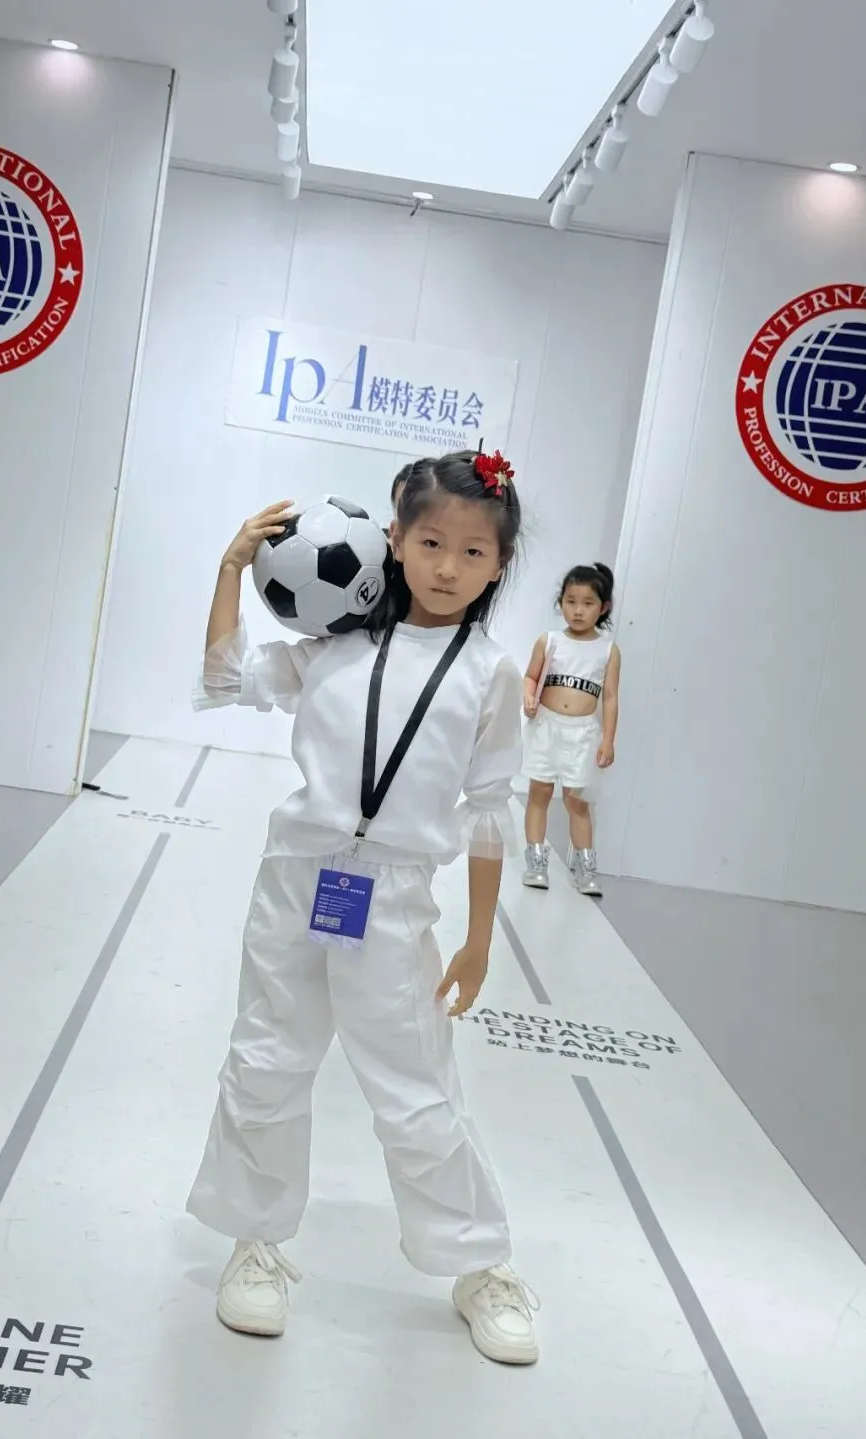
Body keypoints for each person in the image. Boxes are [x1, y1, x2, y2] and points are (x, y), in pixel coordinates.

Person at [187, 449, 539, 1366]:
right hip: (297, 879)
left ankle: (480, 1264)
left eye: (473, 551)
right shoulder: (334, 642)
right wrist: (230, 568)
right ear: (394, 538)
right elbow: (225, 678)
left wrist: (478, 939)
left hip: (394, 896)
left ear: (499, 564)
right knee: (267, 1059)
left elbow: (489, 811)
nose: (448, 566)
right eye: (431, 543)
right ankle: (256, 1244)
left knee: (417, 1090)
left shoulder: (490, 673)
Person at [520, 563, 620, 896]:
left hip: (583, 734)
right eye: (571, 601)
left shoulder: (608, 650)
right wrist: (529, 697)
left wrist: (608, 739)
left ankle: (586, 868)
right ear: (561, 602)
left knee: (577, 800)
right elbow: (531, 676)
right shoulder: (549, 641)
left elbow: (610, 697)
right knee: (539, 792)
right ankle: (536, 862)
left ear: (603, 607)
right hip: (547, 727)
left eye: (587, 603)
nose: (578, 610)